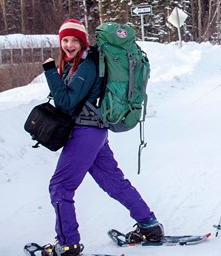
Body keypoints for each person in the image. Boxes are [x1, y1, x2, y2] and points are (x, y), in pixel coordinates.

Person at [41, 19, 163, 255]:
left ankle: (68, 243)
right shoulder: (76, 64)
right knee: (114, 182)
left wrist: (49, 73)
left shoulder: (86, 65)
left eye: (74, 40)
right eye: (64, 40)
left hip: (85, 132)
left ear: (82, 42)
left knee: (60, 187)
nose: (68, 45)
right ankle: (150, 225)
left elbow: (66, 102)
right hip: (94, 131)